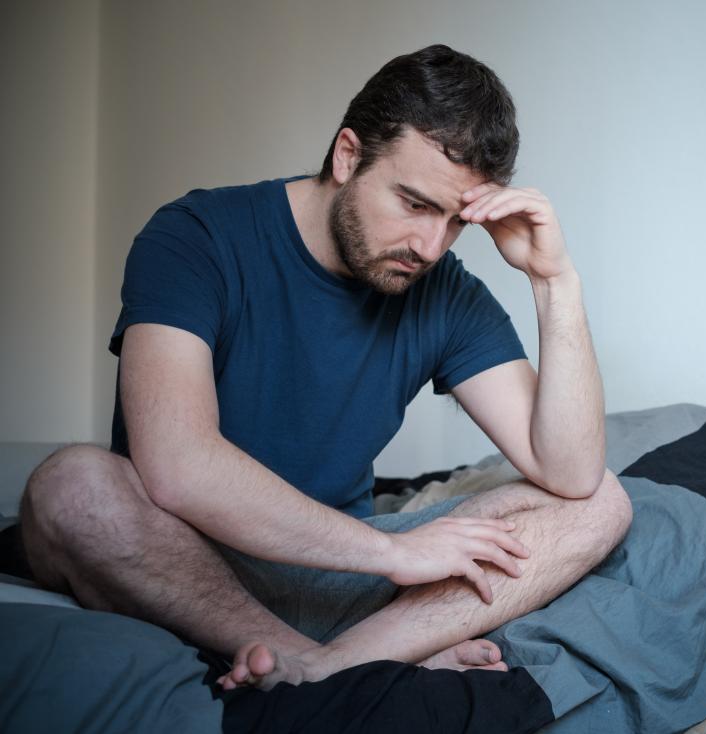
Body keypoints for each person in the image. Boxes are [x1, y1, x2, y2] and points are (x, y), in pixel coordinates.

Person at [18, 44, 632, 690]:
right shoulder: (196, 236)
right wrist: (392, 552)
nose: (430, 246)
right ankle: (321, 655)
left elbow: (571, 470)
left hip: (343, 575)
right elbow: (176, 465)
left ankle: (333, 664)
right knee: (73, 487)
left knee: (603, 504)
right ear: (347, 155)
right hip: (186, 562)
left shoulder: (445, 291)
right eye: (416, 203)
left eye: (456, 222)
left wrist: (553, 281)